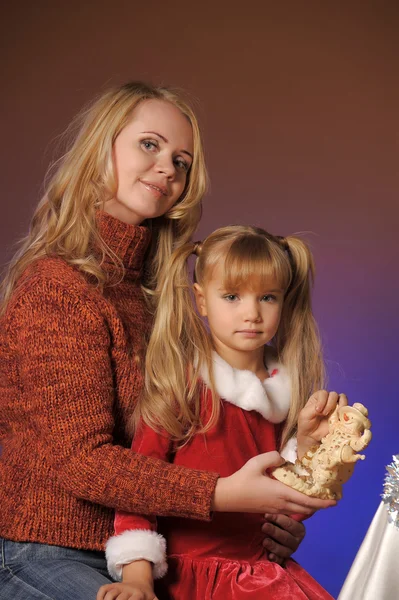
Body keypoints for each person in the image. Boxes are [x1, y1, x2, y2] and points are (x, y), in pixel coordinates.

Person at [0, 83, 332, 600]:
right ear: (100, 149)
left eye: (182, 161)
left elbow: (199, 442)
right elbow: (81, 461)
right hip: (46, 548)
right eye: (149, 145)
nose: (168, 170)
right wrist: (223, 496)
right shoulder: (56, 289)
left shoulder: (164, 298)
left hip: (152, 554)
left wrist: (263, 519)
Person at [98, 225, 346, 600]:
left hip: (261, 574)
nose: (251, 313)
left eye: (267, 297)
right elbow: (138, 489)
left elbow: (281, 510)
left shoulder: (286, 396)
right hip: (195, 576)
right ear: (201, 301)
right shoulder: (179, 386)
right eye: (231, 296)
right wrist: (137, 579)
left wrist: (312, 447)